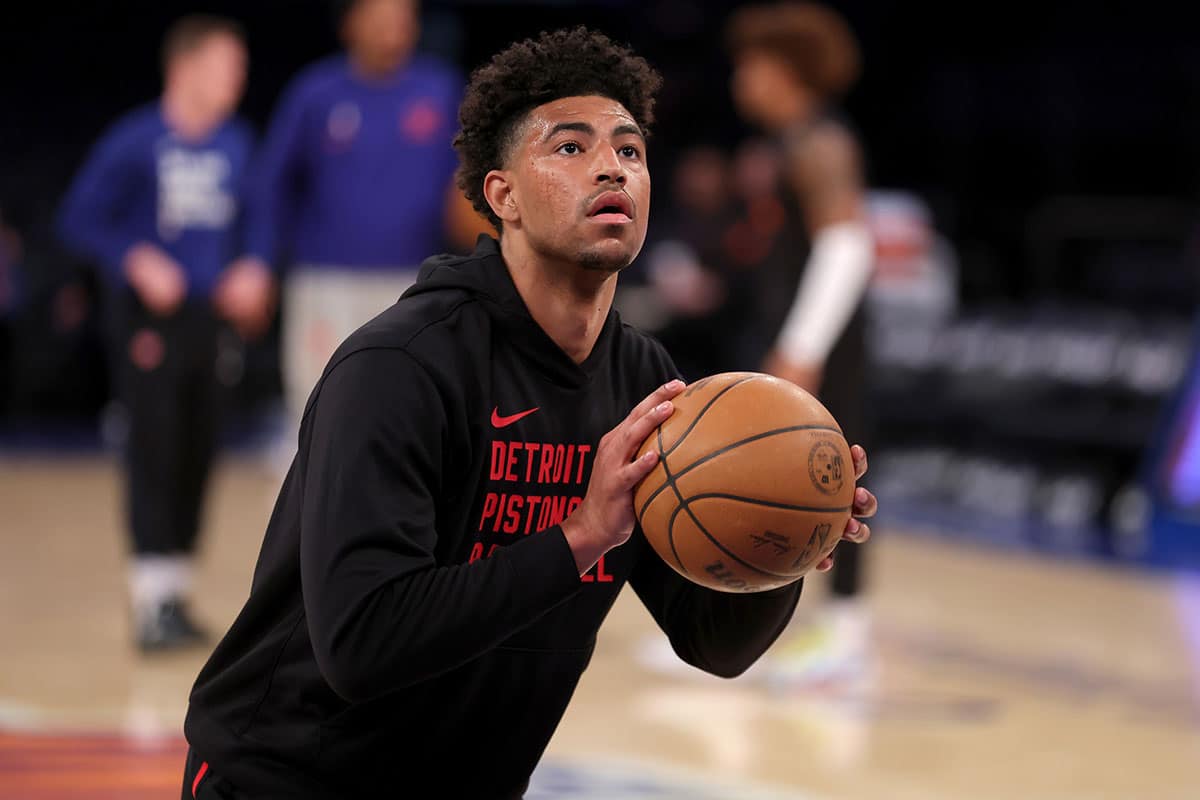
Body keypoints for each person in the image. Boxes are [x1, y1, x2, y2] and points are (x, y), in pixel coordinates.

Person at [181, 27, 877, 798]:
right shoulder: (397, 368)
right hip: (289, 777)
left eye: (630, 150)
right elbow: (361, 644)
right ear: (500, 194)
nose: (611, 164)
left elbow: (713, 642)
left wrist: (782, 542)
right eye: (570, 148)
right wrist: (581, 536)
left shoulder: (644, 382)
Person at [57, 15, 272, 652]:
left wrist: (254, 268)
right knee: (154, 447)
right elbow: (79, 217)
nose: (237, 77)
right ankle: (150, 597)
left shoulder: (237, 144)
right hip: (150, 322)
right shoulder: (136, 139)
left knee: (199, 450)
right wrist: (135, 256)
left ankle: (175, 593)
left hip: (211, 321)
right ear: (186, 68)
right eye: (225, 64)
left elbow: (259, 219)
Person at [233, 0, 484, 454]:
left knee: (410, 420)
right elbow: (271, 187)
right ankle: (306, 526)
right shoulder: (315, 93)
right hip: (325, 285)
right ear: (350, 23)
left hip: (416, 285)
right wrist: (258, 261)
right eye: (382, 14)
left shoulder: (441, 90)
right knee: (319, 416)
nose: (395, 25)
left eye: (405, 15)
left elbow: (475, 183)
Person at [727, 1, 877, 687]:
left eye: (753, 63)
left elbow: (847, 244)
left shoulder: (821, 140)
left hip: (826, 342)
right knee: (773, 479)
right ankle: (755, 627)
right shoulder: (785, 142)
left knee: (837, 477)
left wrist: (802, 346)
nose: (742, 77)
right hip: (793, 330)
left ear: (787, 71)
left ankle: (846, 631)